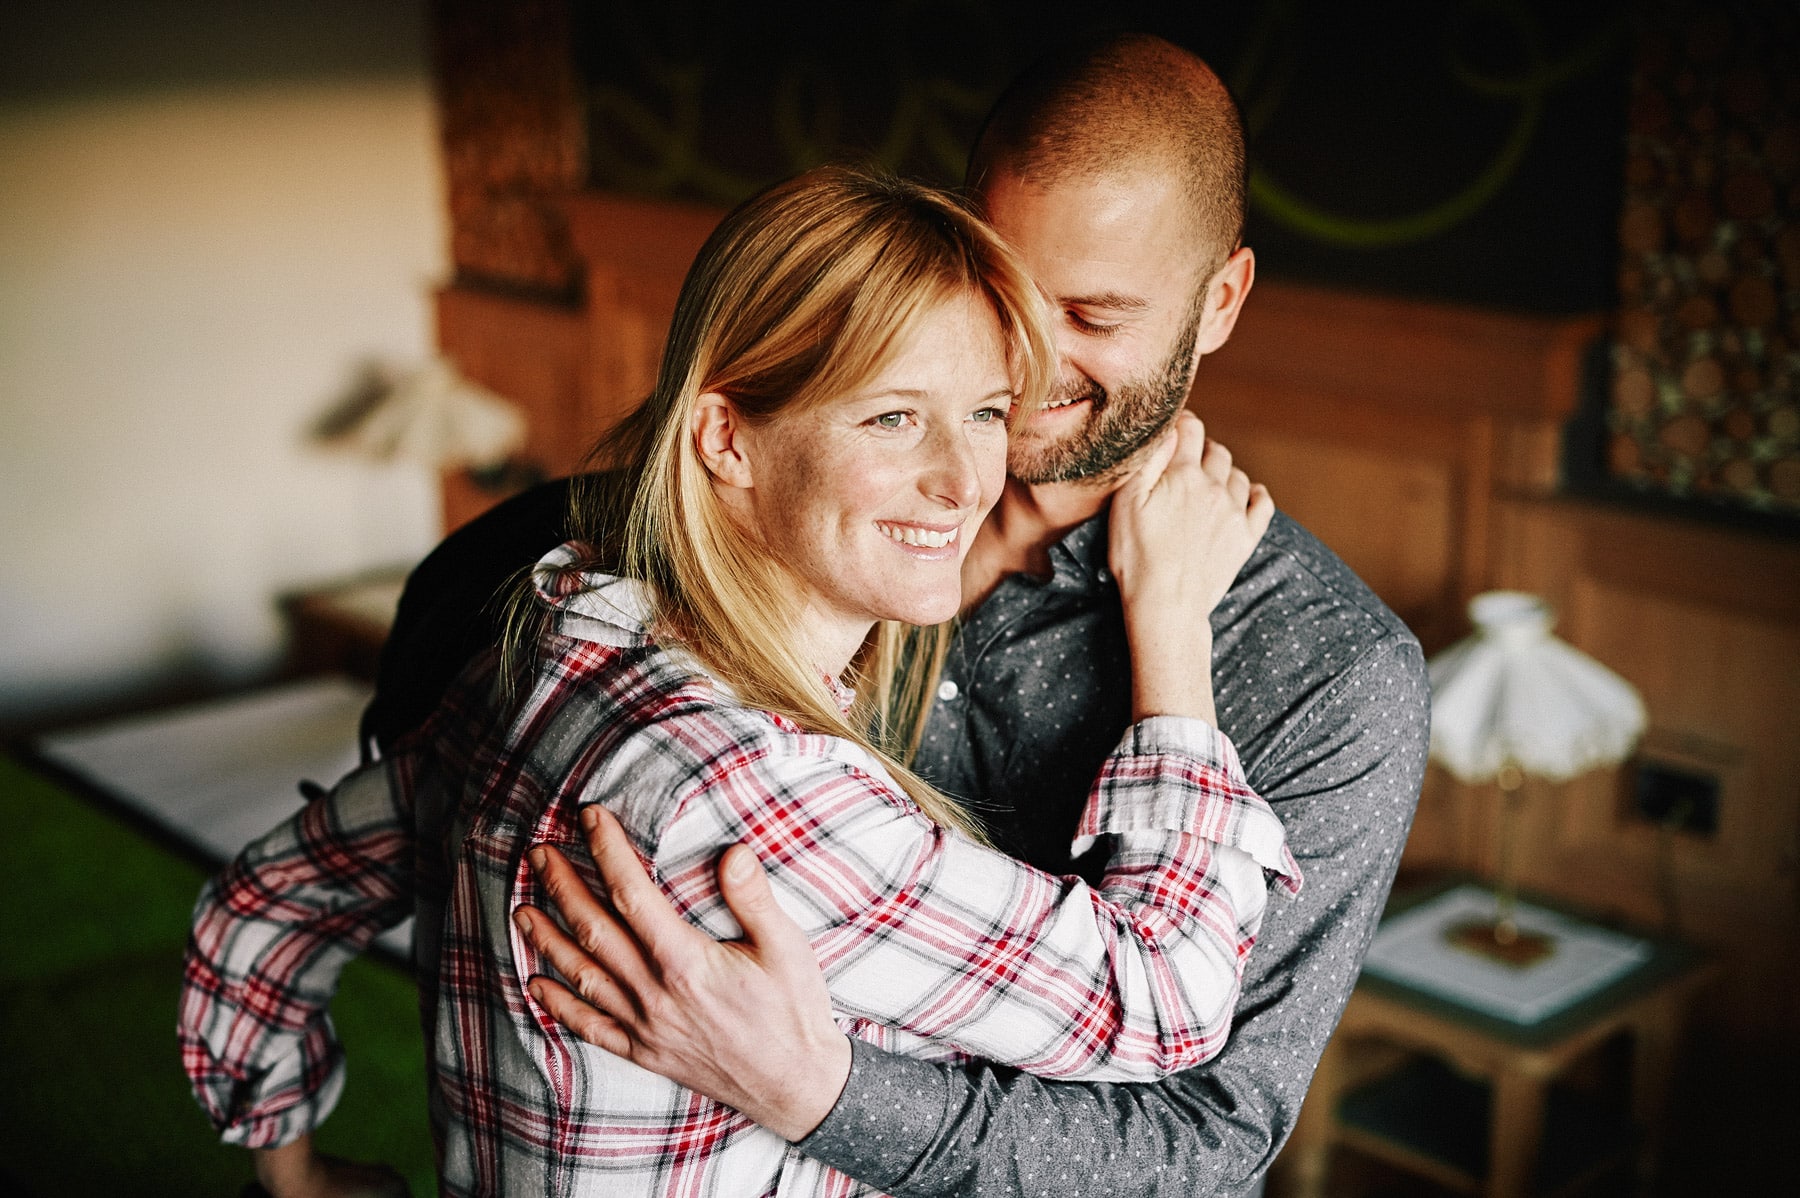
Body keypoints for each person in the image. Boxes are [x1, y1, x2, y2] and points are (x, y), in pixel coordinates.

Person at [180, 164, 1292, 1198]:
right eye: (893, 415)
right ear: (725, 435)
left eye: (988, 412)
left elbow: (260, 909)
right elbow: (1168, 1002)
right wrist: (1175, 633)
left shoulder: (563, 638)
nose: (965, 480)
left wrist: (298, 1179)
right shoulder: (761, 792)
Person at [500, 33, 1432, 1197]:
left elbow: (1205, 1141)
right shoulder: (821, 500)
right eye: (1008, 287)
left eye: (1095, 315)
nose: (1032, 352)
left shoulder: (1330, 670)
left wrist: (820, 1092)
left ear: (1220, 301)